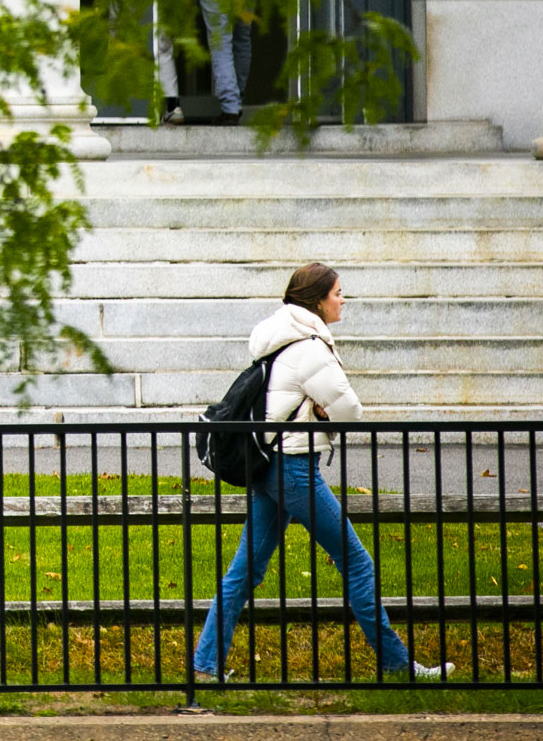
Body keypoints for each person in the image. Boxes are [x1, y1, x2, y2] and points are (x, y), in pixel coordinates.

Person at [192, 263, 452, 683]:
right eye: (337, 292)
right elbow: (351, 411)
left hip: (271, 469)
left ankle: (204, 667)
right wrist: (321, 411)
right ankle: (398, 666)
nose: (343, 299)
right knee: (358, 563)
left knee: (245, 572)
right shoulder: (310, 347)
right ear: (317, 300)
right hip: (294, 473)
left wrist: (315, 409)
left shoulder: (280, 339)